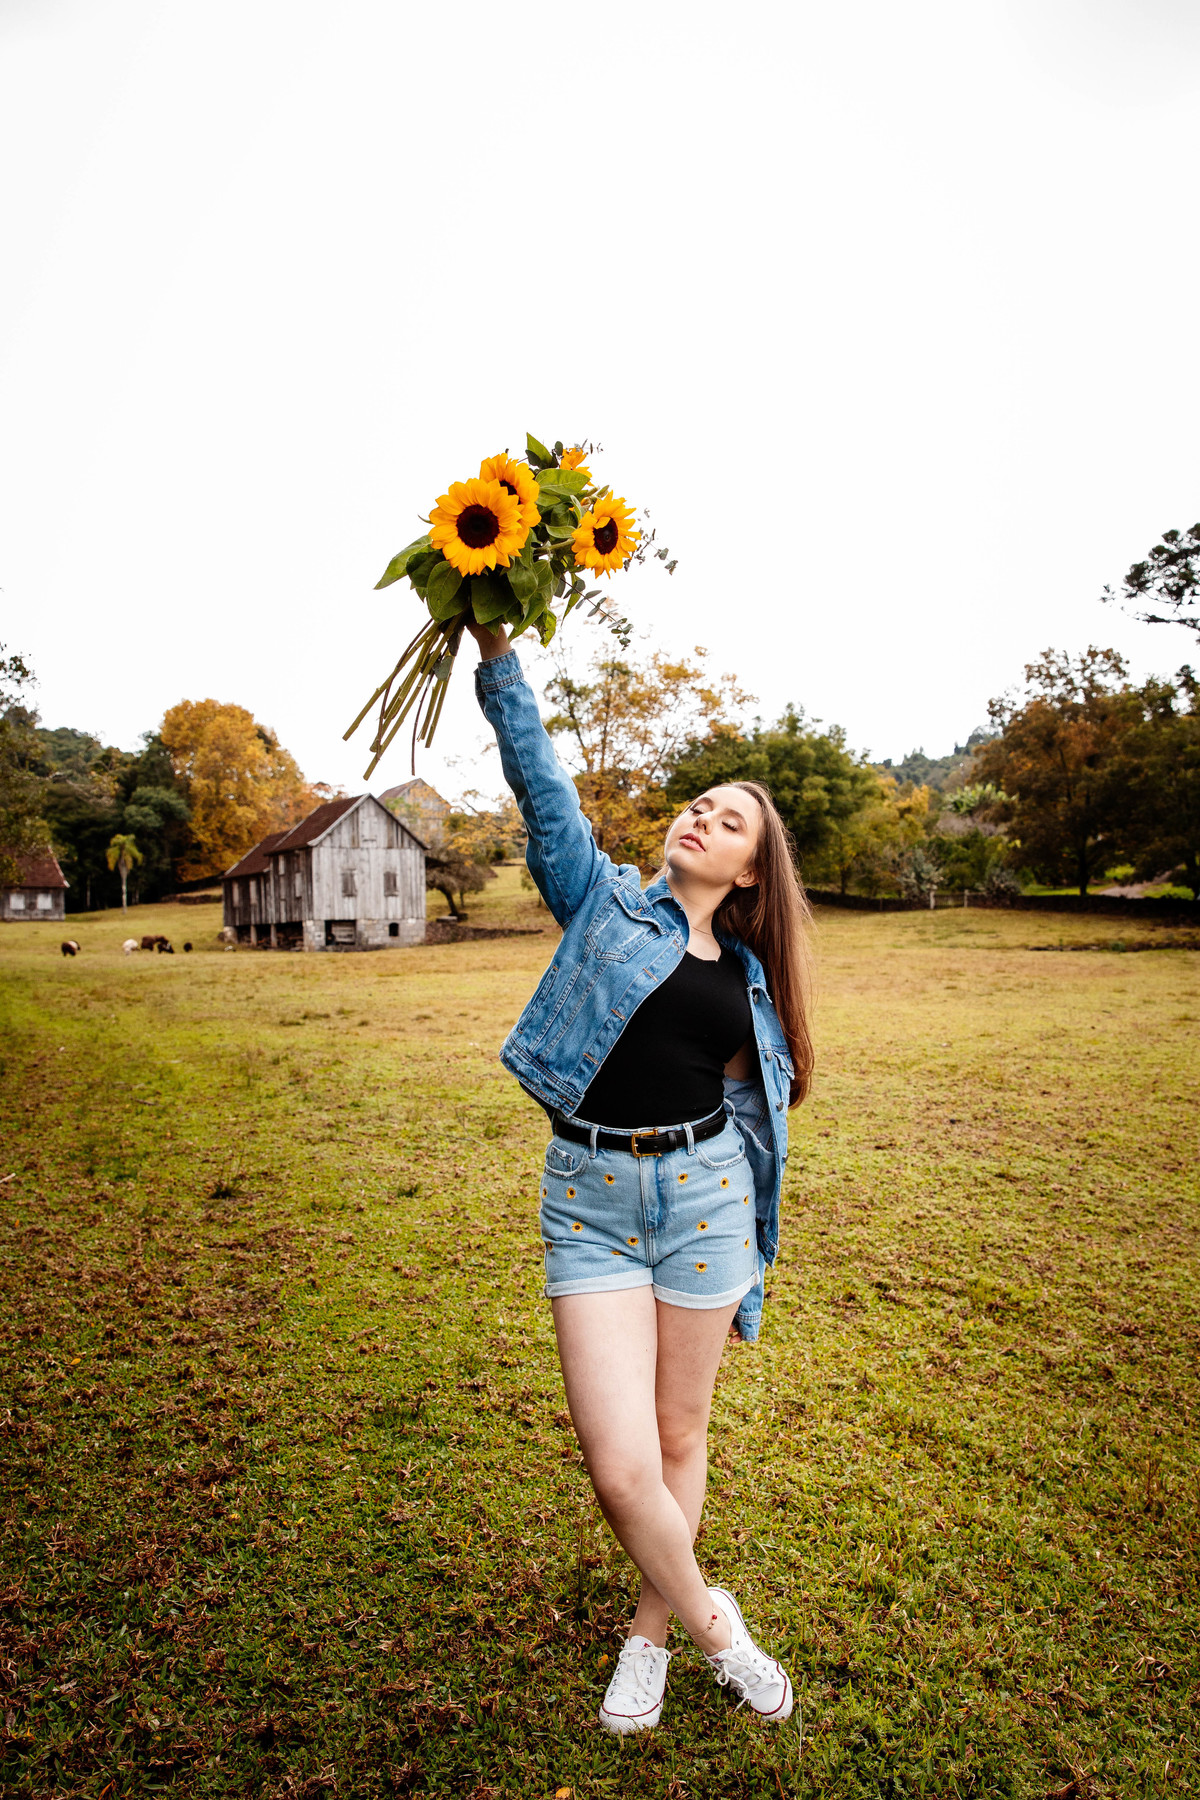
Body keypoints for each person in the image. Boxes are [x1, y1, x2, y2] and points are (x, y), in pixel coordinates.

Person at [470, 621, 813, 1734]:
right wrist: (498, 656)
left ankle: (649, 1637)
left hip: (704, 1200)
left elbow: (758, 1103)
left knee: (677, 1438)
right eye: (698, 804)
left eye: (727, 821)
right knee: (618, 1466)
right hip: (591, 1203)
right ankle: (722, 1628)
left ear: (750, 869)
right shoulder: (603, 902)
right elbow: (541, 783)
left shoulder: (754, 978)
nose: (700, 819)